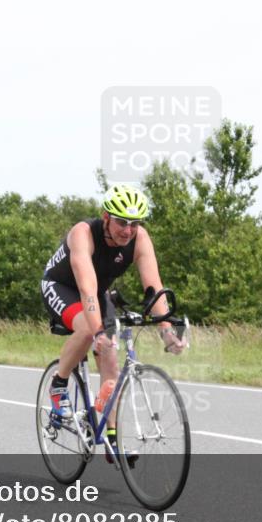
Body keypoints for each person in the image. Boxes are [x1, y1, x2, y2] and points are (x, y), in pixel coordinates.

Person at [40, 184, 185, 459]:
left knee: (110, 360)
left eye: (134, 224)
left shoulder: (139, 239)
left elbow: (153, 286)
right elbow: (86, 288)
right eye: (121, 222)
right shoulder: (83, 233)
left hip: (97, 291)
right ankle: (58, 384)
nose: (127, 230)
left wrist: (166, 329)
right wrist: (97, 331)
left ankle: (111, 439)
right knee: (87, 331)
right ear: (106, 217)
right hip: (61, 286)